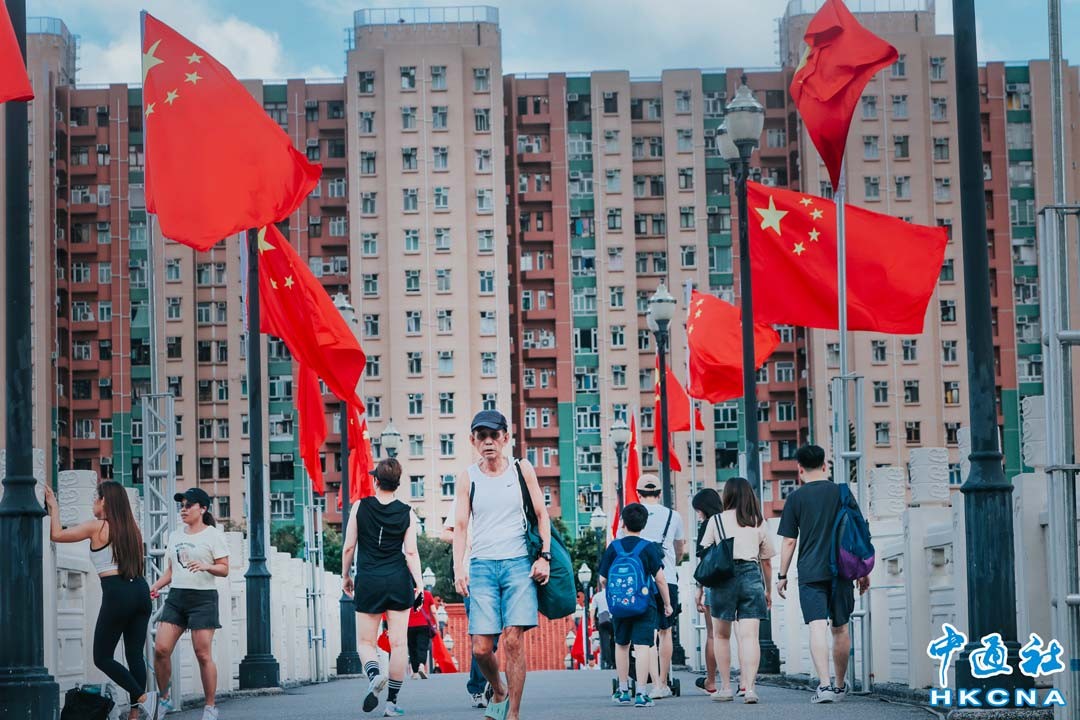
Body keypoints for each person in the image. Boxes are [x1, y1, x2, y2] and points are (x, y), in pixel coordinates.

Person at [453, 410, 551, 720]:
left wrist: (544, 557)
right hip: (481, 566)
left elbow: (541, 514)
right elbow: (460, 526)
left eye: (494, 435)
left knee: (512, 640)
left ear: (505, 438)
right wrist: (458, 568)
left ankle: (513, 714)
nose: (488, 441)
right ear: (473, 441)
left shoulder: (522, 470)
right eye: (481, 436)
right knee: (481, 649)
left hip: (518, 565)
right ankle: (499, 689)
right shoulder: (468, 477)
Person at [44, 481, 158, 720]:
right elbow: (137, 566)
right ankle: (135, 715)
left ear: (105, 500)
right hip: (140, 590)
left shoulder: (97, 527)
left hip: (117, 593)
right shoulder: (133, 530)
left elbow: (57, 535)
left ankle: (143, 697)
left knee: (102, 657)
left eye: (95, 498)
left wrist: (54, 506)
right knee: (134, 655)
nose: (93, 503)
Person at [776, 445, 871, 704]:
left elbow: (789, 541)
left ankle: (825, 686)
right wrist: (862, 570)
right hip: (842, 570)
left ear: (799, 469)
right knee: (840, 628)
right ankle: (840, 686)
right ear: (825, 465)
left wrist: (782, 575)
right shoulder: (842, 492)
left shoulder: (795, 498)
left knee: (817, 626)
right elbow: (859, 531)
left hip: (810, 571)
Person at [342, 458, 424, 717]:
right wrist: (420, 584)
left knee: (366, 642)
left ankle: (374, 675)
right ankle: (391, 703)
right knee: (399, 644)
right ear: (397, 483)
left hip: (369, 580)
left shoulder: (360, 507)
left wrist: (345, 575)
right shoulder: (407, 512)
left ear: (375, 480)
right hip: (398, 580)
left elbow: (349, 547)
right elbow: (411, 552)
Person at [150, 488, 230, 720]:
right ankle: (164, 698)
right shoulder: (175, 535)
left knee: (202, 654)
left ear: (202, 509)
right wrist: (155, 586)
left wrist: (206, 566)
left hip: (203, 599)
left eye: (188, 505)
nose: (183, 510)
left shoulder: (213, 535)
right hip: (177, 598)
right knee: (161, 649)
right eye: (181, 505)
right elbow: (171, 570)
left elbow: (224, 568)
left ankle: (210, 707)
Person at [701, 477, 776, 704]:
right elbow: (766, 561)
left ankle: (725, 688)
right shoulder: (757, 521)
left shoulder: (716, 520)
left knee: (721, 635)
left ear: (727, 495)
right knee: (750, 636)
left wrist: (702, 588)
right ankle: (750, 689)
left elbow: (705, 555)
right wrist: (768, 590)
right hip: (751, 575)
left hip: (723, 578)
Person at [599, 502, 673, 709]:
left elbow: (603, 579)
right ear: (644, 524)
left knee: (621, 645)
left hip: (620, 606)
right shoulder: (648, 548)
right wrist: (667, 604)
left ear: (622, 522)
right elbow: (660, 579)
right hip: (644, 604)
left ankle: (623, 691)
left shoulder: (614, 547)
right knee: (642, 647)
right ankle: (641, 694)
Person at [617, 474, 685, 699]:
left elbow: (620, 545)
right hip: (667, 577)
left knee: (648, 633)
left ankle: (652, 682)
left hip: (638, 582)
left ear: (638, 494)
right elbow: (680, 548)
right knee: (666, 631)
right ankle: (662, 684)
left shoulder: (629, 515)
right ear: (660, 493)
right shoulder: (674, 516)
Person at [442, 497, 496, 708]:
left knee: (495, 635)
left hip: (500, 573)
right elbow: (446, 533)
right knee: (480, 633)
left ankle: (484, 680)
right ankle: (479, 687)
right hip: (472, 576)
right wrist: (465, 539)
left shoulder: (505, 493)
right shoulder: (465, 496)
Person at [690, 488, 722, 697]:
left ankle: (711, 681)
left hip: (714, 582)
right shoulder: (731, 521)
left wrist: (699, 589)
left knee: (713, 634)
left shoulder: (708, 525)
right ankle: (745, 683)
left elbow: (704, 561)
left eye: (698, 510)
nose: (698, 515)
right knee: (743, 635)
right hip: (737, 580)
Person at [407, 587, 436, 678]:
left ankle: (415, 672)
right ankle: (422, 666)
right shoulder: (427, 594)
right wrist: (437, 623)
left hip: (409, 626)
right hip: (424, 625)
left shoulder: (406, 593)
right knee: (422, 647)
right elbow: (433, 611)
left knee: (412, 648)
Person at [591, 585, 615, 670]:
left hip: (602, 620)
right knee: (614, 641)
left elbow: (593, 610)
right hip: (614, 619)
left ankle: (608, 662)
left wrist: (592, 622)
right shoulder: (613, 594)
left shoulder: (597, 596)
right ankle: (615, 661)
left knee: (605, 641)